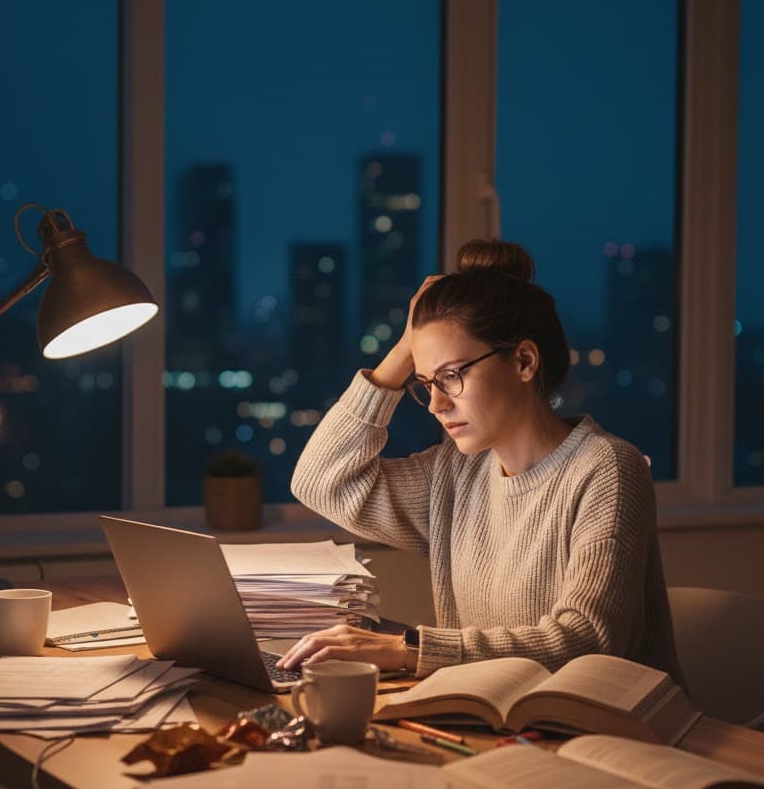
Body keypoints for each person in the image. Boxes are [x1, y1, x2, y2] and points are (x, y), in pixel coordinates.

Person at [281, 239, 680, 687]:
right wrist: (405, 347)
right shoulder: (454, 473)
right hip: (495, 718)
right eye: (426, 381)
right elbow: (321, 481)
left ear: (525, 361)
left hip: (614, 730)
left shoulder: (607, 469)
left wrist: (409, 648)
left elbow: (588, 640)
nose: (435, 403)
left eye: (451, 376)